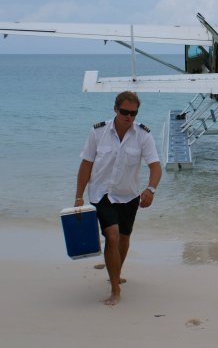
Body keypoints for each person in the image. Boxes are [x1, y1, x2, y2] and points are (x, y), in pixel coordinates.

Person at [74, 91, 162, 305]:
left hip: (129, 195)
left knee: (123, 239)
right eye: (124, 112)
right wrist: (78, 197)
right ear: (115, 109)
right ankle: (115, 289)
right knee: (112, 236)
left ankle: (115, 273)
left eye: (133, 113)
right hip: (101, 193)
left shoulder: (143, 134)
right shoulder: (98, 132)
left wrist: (150, 189)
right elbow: (86, 164)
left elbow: (155, 166)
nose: (129, 117)